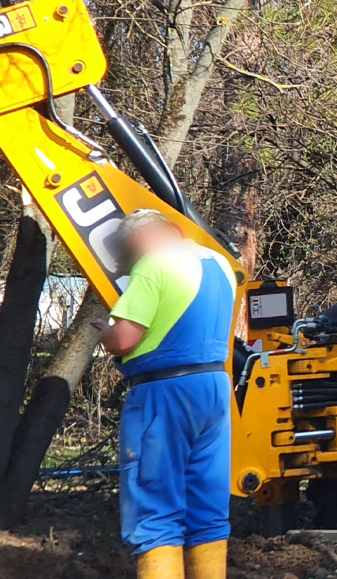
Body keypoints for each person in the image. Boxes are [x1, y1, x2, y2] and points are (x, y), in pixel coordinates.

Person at [97, 209, 237, 579]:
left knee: (155, 507)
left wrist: (104, 332)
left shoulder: (154, 263)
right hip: (213, 390)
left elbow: (124, 338)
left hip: (162, 393)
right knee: (207, 510)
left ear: (140, 239)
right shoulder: (220, 264)